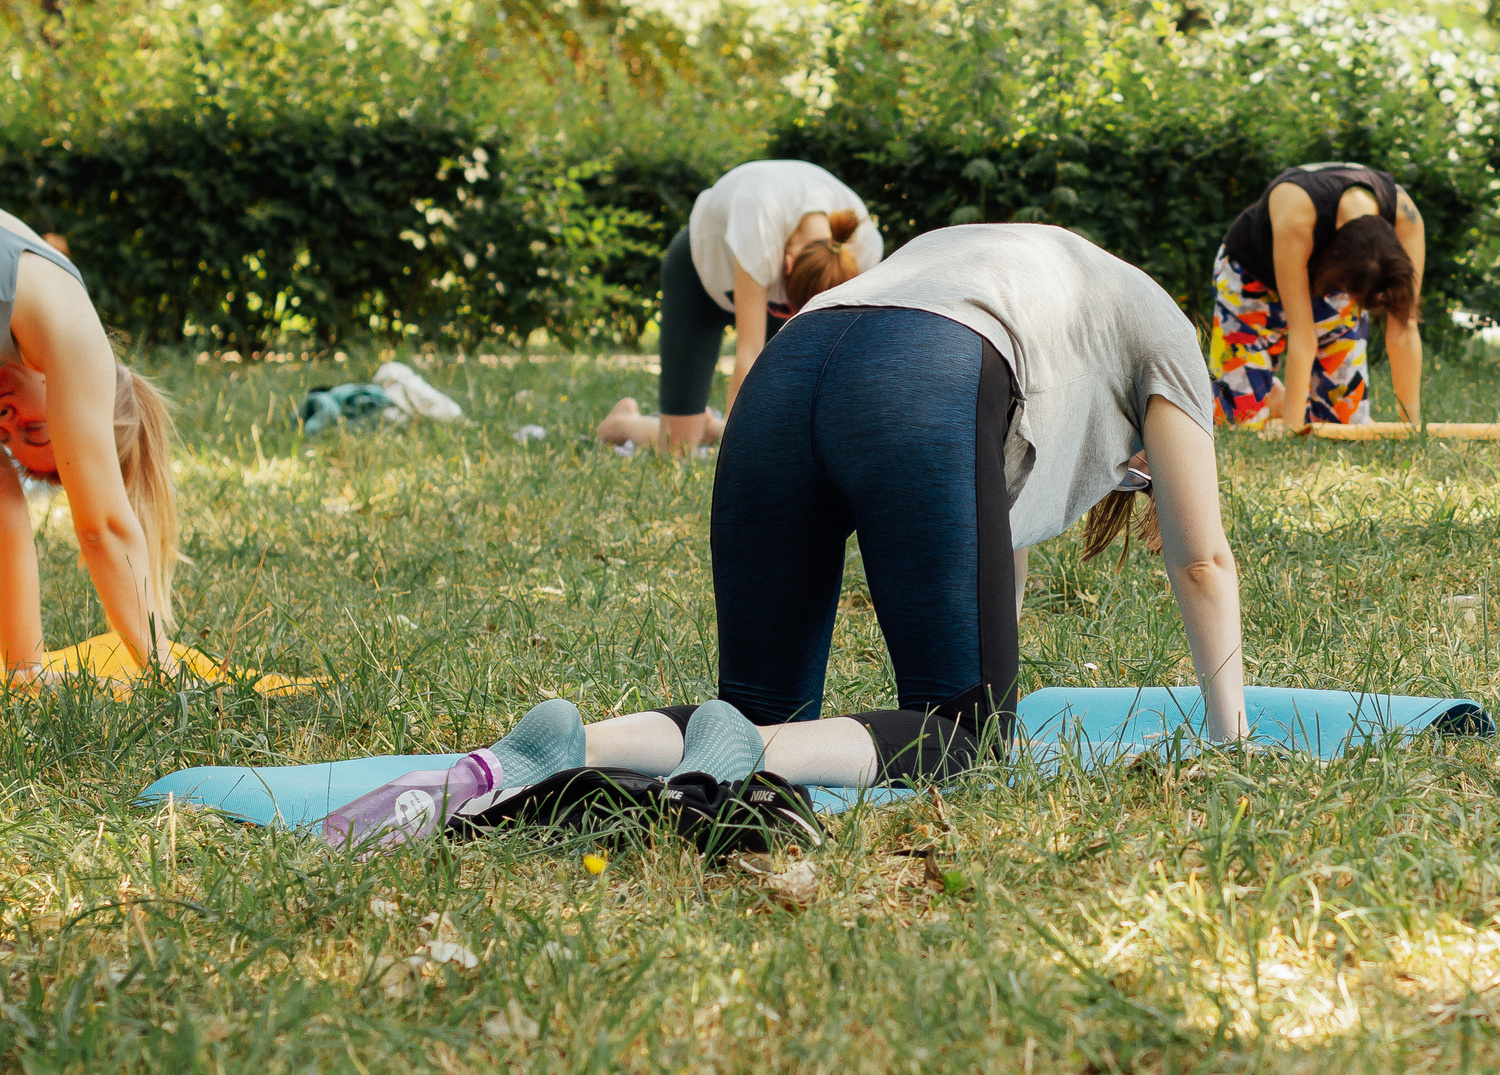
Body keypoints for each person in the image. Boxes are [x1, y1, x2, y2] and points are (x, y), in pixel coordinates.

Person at [328, 222, 1244, 843]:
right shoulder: (1166, 333)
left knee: (756, 710)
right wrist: (1230, 737)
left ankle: (558, 748)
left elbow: (983, 543)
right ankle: (753, 759)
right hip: (924, 376)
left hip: (788, 367)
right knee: (963, 731)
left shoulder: (1020, 277)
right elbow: (1200, 557)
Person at [0, 209, 182, 677]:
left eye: (6, 434)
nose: (6, 418)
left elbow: (5, 507)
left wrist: (25, 672)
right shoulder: (75, 334)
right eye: (37, 428)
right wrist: (163, 670)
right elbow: (102, 526)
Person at [596, 160, 882, 453]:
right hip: (698, 279)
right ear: (788, 261)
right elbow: (748, 354)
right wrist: (736, 463)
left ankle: (714, 429)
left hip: (767, 285)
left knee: (783, 435)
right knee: (677, 447)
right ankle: (622, 422)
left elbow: (840, 356)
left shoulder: (863, 247)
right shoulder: (760, 218)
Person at [1213, 162, 1426, 432]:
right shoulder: (1297, 216)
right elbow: (1303, 335)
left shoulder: (1405, 218)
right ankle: (1268, 394)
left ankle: (1277, 397)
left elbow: (1404, 326)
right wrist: (1293, 427)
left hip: (1340, 279)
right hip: (1251, 280)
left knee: (1343, 426)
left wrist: (1411, 425)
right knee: (1235, 419)